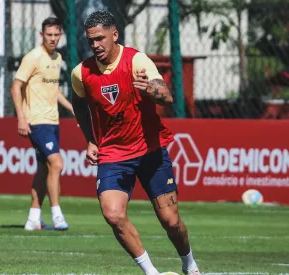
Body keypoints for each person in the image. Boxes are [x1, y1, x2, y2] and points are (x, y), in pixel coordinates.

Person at [71, 11, 201, 275]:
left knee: (171, 221)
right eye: (90, 41)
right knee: (112, 214)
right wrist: (90, 140)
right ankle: (151, 273)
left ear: (114, 34)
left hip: (150, 151)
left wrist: (150, 89)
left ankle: (190, 264)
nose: (95, 45)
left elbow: (166, 97)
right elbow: (79, 104)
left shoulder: (137, 60)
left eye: (100, 39)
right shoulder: (81, 73)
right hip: (113, 155)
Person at [11, 17, 74, 231]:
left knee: (44, 169)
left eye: (57, 35)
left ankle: (33, 219)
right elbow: (16, 87)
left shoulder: (57, 57)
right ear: (41, 35)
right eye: (49, 35)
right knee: (57, 164)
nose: (53, 39)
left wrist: (72, 108)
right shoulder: (33, 57)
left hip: (53, 120)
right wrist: (21, 117)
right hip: (37, 121)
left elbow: (53, 90)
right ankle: (57, 215)